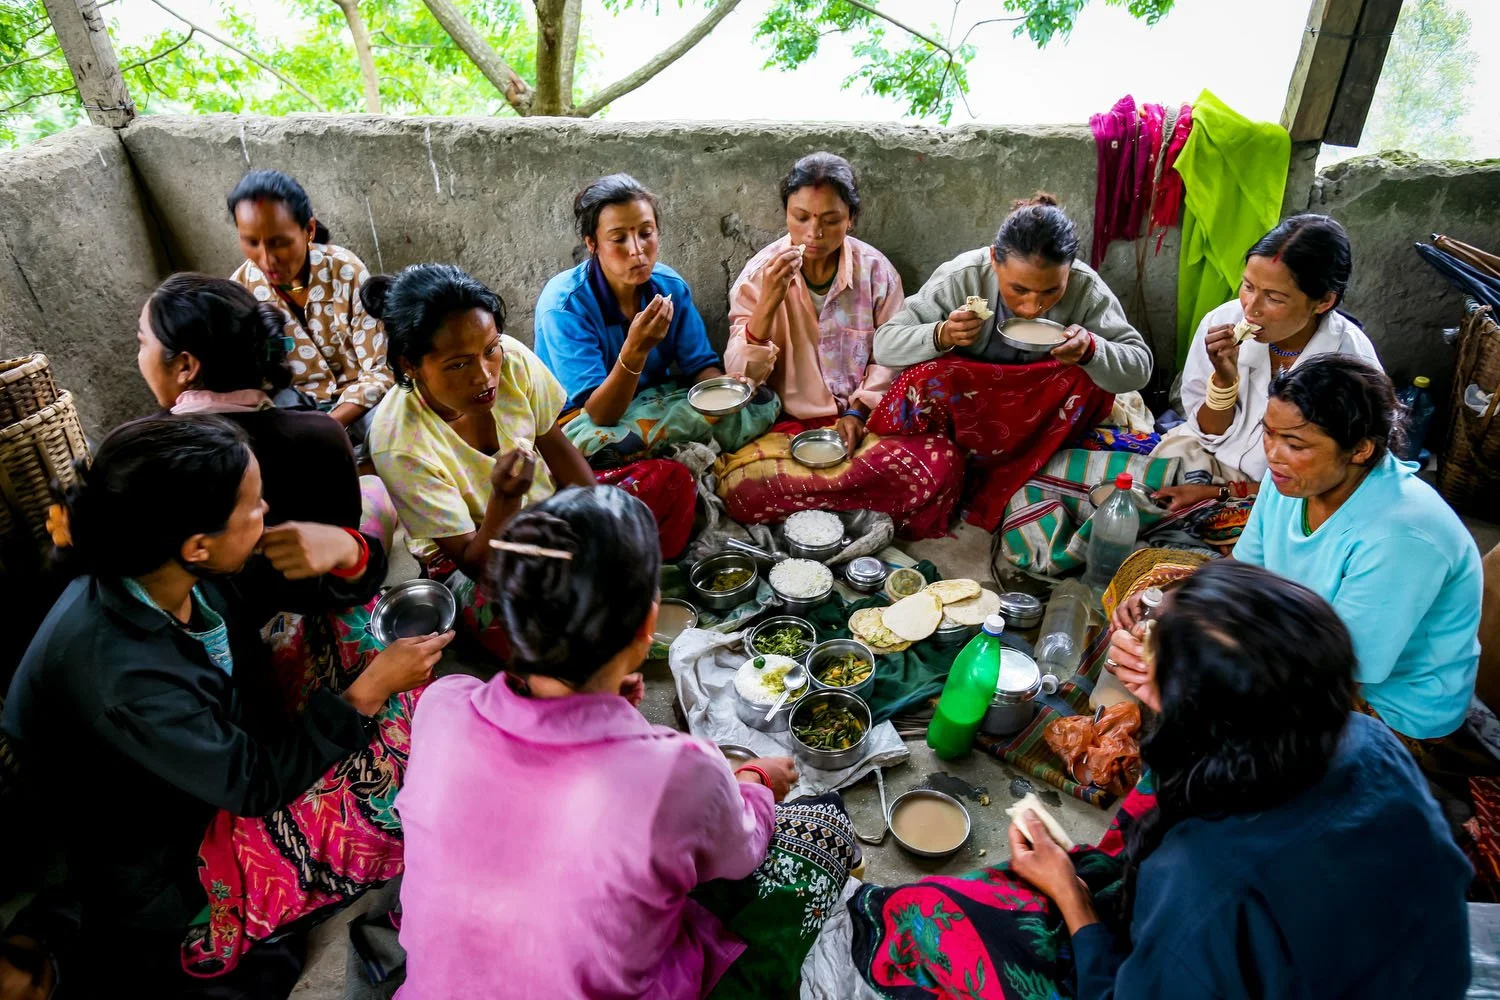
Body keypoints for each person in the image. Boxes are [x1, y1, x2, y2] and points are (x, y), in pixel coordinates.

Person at [850, 561, 1473, 1000]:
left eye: (1159, 655)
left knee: (924, 912)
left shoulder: (1209, 884)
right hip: (1390, 967)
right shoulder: (1364, 740)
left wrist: (1070, 896)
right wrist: (1175, 698)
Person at [0, 415, 450, 995]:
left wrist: (342, 546)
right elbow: (253, 784)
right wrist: (366, 694)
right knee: (401, 788)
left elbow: (307, 589)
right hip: (177, 854)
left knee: (358, 629)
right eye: (256, 506)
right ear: (197, 544)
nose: (267, 516)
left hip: (226, 739)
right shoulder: (121, 678)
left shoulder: (171, 568)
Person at [396, 486, 856, 999]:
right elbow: (741, 854)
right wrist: (755, 781)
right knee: (822, 827)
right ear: (647, 625)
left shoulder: (443, 705)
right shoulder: (682, 772)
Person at [1113, 355, 1483, 746]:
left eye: (1294, 443)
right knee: (1152, 575)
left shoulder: (1401, 537)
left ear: (1359, 449)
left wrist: (1199, 655)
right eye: (1269, 433)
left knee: (1217, 707)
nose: (1272, 453)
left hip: (1380, 708)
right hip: (1301, 633)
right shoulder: (1293, 478)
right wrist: (1172, 601)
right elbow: (1243, 568)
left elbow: (1343, 668)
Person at [365, 264, 697, 658]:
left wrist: (602, 529)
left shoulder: (514, 362)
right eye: (458, 364)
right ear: (410, 364)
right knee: (526, 628)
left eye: (490, 350)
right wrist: (504, 497)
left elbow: (558, 450)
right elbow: (478, 566)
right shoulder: (398, 441)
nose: (485, 376)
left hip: (551, 511)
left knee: (671, 483)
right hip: (480, 556)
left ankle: (607, 595)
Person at [135, 271, 401, 696]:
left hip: (195, 672)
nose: (140, 354)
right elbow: (338, 579)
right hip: (290, 651)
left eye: (142, 342)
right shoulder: (317, 437)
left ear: (186, 366)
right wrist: (350, 551)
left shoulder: (140, 452)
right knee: (375, 492)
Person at [715, 152, 963, 537]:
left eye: (830, 220)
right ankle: (857, 507)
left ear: (851, 219)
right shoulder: (758, 274)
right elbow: (739, 378)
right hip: (787, 432)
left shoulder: (875, 272)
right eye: (801, 218)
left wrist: (858, 414)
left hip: (865, 428)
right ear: (786, 215)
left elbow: (891, 357)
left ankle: (816, 513)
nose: (813, 234)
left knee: (942, 462)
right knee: (738, 490)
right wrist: (767, 305)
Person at [869, 194, 1153, 531]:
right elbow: (885, 345)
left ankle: (1022, 469)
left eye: (1050, 291)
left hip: (1039, 418)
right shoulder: (963, 277)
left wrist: (1091, 349)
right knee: (929, 374)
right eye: (1018, 289)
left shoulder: (1086, 288)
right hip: (970, 414)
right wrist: (942, 334)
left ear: (1070, 270)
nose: (1032, 306)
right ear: (993, 259)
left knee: (1086, 378)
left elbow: (1140, 368)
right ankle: (965, 469)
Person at [1150, 216, 1381, 542]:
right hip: (1206, 457)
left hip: (1287, 493)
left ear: (1324, 302)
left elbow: (1332, 479)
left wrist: (1215, 493)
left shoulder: (1350, 365)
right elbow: (1208, 433)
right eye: (1248, 286)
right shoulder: (1221, 322)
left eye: (1274, 297)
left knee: (1235, 552)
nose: (1251, 309)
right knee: (1128, 495)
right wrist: (1224, 380)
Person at [534, 173, 778, 464]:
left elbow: (698, 366)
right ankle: (673, 452)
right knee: (603, 446)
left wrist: (726, 387)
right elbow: (600, 413)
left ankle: (662, 454)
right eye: (619, 239)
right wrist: (635, 350)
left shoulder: (668, 286)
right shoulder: (565, 306)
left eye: (646, 233)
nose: (637, 249)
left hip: (655, 402)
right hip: (587, 419)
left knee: (762, 400)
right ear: (592, 243)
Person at [227, 169, 390, 463]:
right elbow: (254, 387)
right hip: (294, 413)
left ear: (309, 230)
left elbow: (380, 370)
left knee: (393, 426)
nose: (267, 259)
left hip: (362, 404)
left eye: (279, 242)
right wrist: (309, 430)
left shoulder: (345, 270)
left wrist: (331, 426)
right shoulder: (241, 292)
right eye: (251, 242)